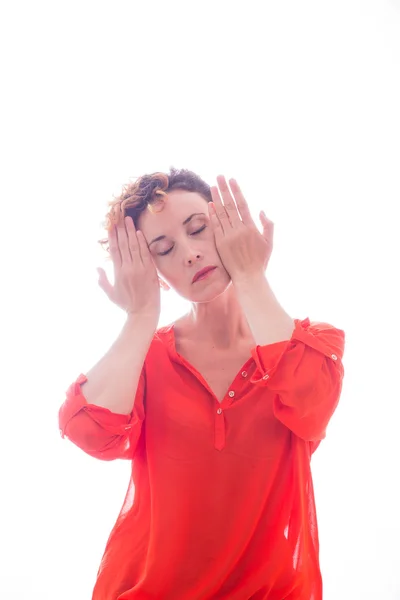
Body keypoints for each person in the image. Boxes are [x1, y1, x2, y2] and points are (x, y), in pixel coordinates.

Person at [58, 167, 346, 600]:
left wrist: (251, 277)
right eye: (164, 249)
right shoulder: (145, 359)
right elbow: (90, 433)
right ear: (153, 270)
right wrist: (139, 318)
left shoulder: (312, 345)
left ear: (230, 225)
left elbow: (313, 403)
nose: (190, 254)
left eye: (198, 229)